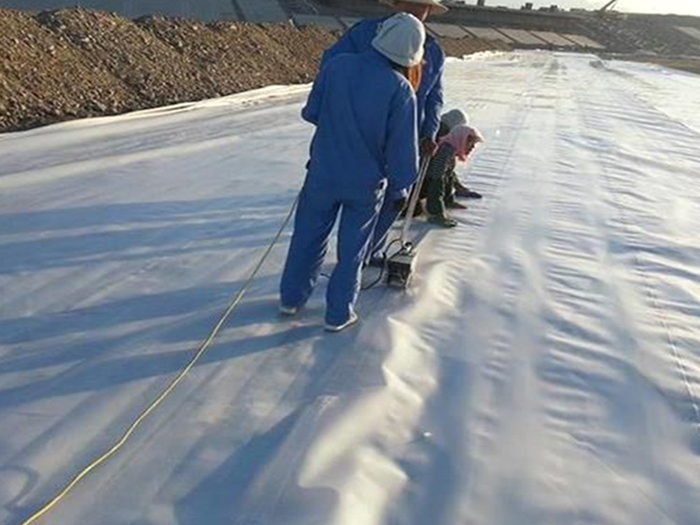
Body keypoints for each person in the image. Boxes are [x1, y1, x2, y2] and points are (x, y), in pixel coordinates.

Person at [279, 13, 425, 332]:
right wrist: (400, 189)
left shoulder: (338, 66)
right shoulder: (401, 90)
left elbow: (312, 112)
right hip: (365, 185)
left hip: (322, 173)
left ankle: (291, 299)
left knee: (307, 237)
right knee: (352, 251)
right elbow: (402, 153)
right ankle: (338, 314)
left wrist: (338, 129)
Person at [320, 0, 449, 259]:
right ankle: (342, 263)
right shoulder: (364, 33)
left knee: (395, 199)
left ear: (430, 11)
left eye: (421, 6)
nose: (415, 9)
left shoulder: (433, 50)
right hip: (363, 135)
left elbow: (434, 97)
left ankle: (368, 253)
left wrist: (429, 133)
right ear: (395, 4)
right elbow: (330, 68)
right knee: (341, 201)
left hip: (407, 137)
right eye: (408, 3)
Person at [424, 124, 483, 228]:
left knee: (448, 175)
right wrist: (438, 213)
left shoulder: (451, 149)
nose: (472, 147)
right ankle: (435, 214)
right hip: (422, 186)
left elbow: (449, 174)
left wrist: (457, 192)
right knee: (439, 180)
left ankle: (447, 201)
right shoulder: (444, 151)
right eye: (470, 143)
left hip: (431, 182)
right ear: (461, 139)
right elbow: (436, 180)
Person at [438, 109, 483, 201]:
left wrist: (458, 187)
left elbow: (448, 170)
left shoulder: (445, 143)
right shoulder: (442, 146)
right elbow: (438, 176)